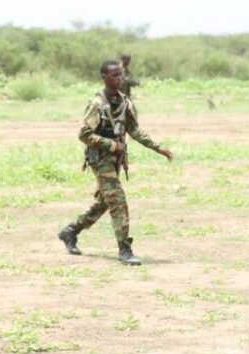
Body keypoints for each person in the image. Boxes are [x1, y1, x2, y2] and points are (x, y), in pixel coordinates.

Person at [58, 60, 173, 265]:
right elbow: (84, 134)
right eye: (114, 76)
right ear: (104, 77)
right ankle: (125, 250)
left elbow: (134, 129)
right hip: (100, 159)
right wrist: (112, 145)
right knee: (118, 201)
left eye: (120, 75)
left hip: (115, 161)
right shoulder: (97, 104)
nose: (119, 79)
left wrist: (157, 148)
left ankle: (71, 231)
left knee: (105, 201)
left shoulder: (124, 102)